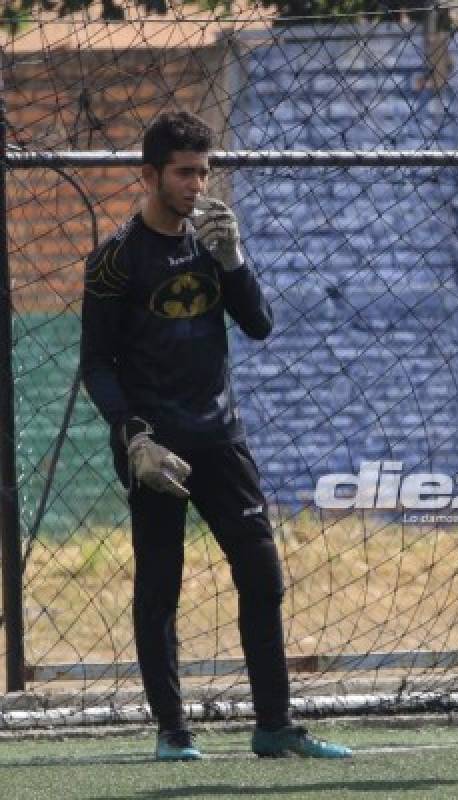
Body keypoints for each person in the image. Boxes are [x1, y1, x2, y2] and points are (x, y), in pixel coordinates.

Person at [80, 111, 350, 762]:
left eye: (204, 171)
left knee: (262, 573)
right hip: (156, 449)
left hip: (220, 435)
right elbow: (95, 365)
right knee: (159, 587)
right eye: (183, 172)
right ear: (149, 176)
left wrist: (234, 260)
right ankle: (173, 732)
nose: (197, 184)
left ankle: (274, 725)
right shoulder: (116, 260)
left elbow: (258, 324)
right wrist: (133, 440)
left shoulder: (214, 240)